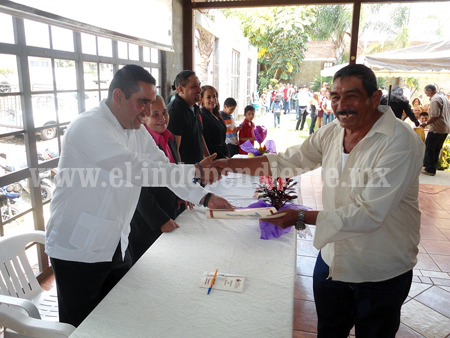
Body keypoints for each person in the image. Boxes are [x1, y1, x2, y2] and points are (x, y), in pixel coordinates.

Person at [209, 64, 424, 337]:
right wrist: (229, 164)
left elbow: (369, 214)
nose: (341, 105)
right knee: (329, 332)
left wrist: (299, 216)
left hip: (379, 269)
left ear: (374, 97)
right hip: (333, 261)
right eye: (335, 97)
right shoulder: (333, 132)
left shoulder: (399, 142)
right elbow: (287, 161)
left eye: (351, 96)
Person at [45, 65, 232, 327]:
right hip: (78, 248)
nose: (147, 109)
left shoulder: (136, 130)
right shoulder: (89, 126)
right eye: (142, 102)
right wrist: (197, 170)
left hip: (117, 241)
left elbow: (164, 169)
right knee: (82, 327)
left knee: (122, 316)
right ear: (118, 96)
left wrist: (205, 198)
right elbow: (138, 170)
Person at [128, 95, 193, 264]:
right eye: (155, 114)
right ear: (143, 117)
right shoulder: (140, 144)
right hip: (147, 222)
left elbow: (171, 173)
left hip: (169, 210)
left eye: (164, 113)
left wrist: (181, 193)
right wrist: (160, 220)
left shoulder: (169, 138)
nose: (163, 118)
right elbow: (139, 189)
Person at [167, 70, 209, 164]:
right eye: (194, 86)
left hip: (198, 168)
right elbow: (175, 149)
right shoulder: (175, 111)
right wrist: (182, 174)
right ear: (181, 89)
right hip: (187, 171)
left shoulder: (194, 107)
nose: (199, 89)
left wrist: (208, 159)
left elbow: (199, 135)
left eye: (199, 85)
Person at [421, 84, 450, 176]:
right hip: (445, 128)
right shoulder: (443, 97)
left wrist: (426, 123)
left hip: (436, 128)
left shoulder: (435, 99)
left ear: (430, 90)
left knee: (430, 147)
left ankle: (429, 169)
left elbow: (434, 115)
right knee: (437, 148)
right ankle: (432, 167)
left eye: (426, 92)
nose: (426, 95)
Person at [200, 85, 229, 159]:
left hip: (223, 156)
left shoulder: (216, 115)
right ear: (202, 99)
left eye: (214, 96)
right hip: (214, 158)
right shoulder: (202, 116)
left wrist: (227, 156)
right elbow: (207, 143)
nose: (212, 100)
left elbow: (222, 140)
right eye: (208, 97)